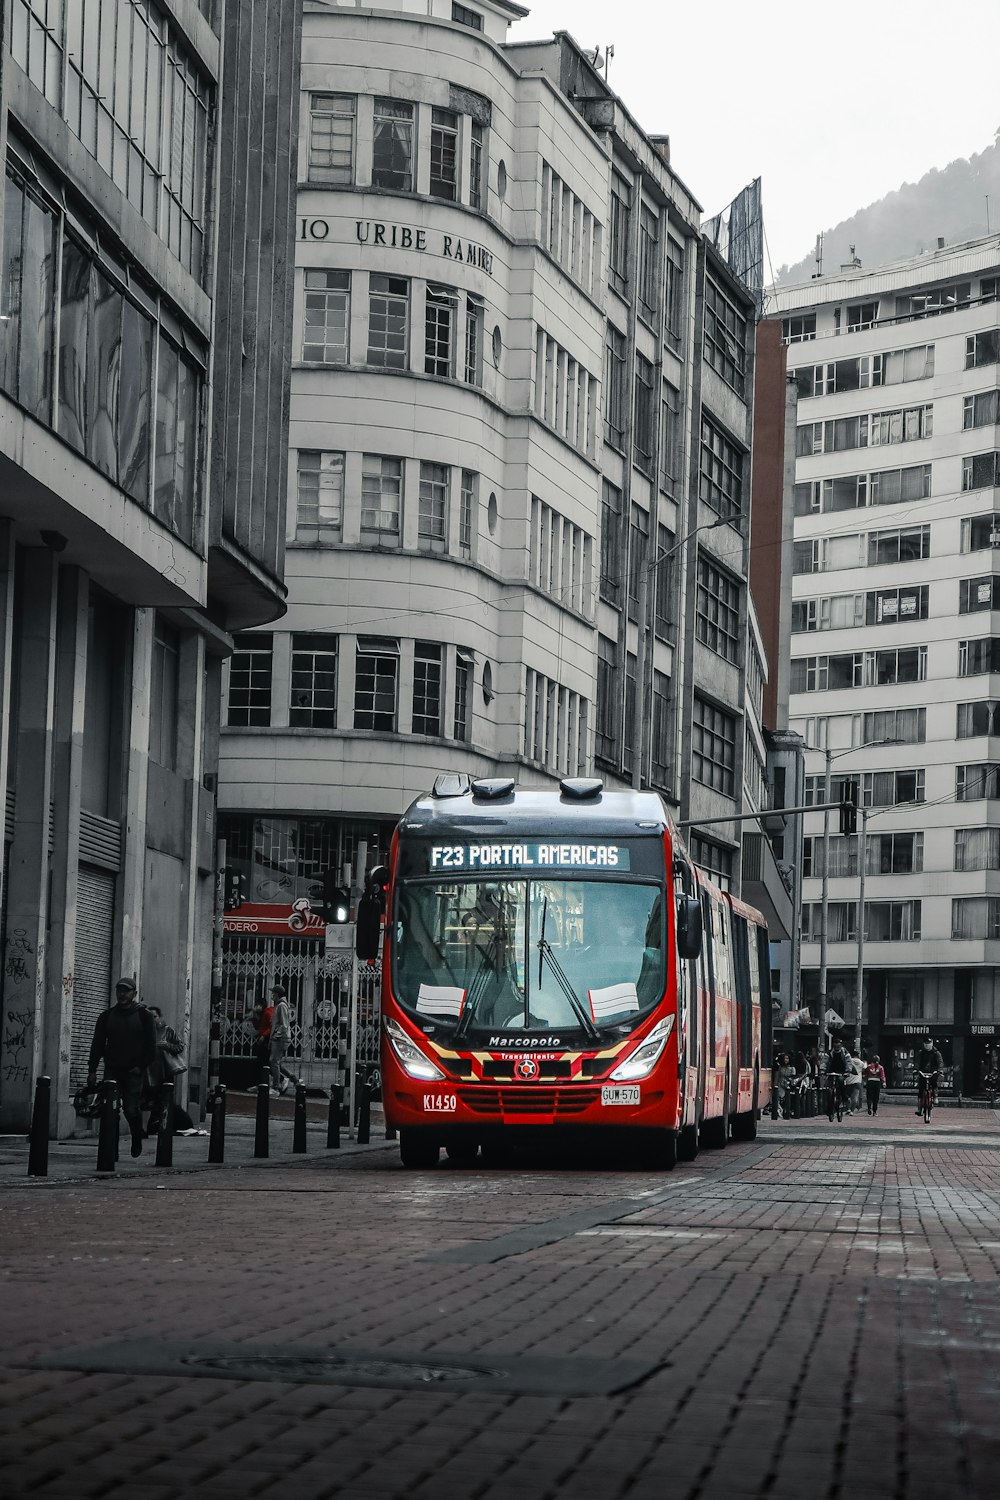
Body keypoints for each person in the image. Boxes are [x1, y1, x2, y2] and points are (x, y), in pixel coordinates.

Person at [87, 978, 157, 1158]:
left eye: (126, 991)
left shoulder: (144, 1015)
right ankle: (112, 1150)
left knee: (131, 1109)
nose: (122, 994)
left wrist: (140, 1067)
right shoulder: (106, 1016)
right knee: (111, 1111)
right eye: (119, 990)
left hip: (133, 1071)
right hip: (113, 1070)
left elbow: (151, 1047)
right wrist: (92, 1070)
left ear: (134, 993)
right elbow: (97, 1044)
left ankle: (136, 1136)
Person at [144, 1005, 185, 1136]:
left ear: (160, 1017)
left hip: (163, 1072)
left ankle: (159, 1125)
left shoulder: (167, 1031)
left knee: (163, 1099)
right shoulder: (143, 1031)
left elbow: (180, 1046)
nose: (152, 1020)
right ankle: (151, 1125)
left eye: (154, 1017)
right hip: (146, 1073)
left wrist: (168, 1046)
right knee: (148, 1100)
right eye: (149, 1017)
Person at [268, 984, 294, 1095]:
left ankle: (275, 1088)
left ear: (277, 994)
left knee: (273, 1062)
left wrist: (275, 1036)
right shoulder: (279, 1005)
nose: (272, 995)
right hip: (280, 1038)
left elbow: (284, 1025)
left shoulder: (281, 1006)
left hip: (280, 1039)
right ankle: (295, 1080)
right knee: (276, 1062)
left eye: (273, 993)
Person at [914, 1035, 944, 1113]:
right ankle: (919, 1108)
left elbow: (940, 1062)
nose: (927, 1045)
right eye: (926, 1043)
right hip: (923, 1072)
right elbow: (917, 1062)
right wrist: (916, 1070)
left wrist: (940, 1070)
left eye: (929, 1043)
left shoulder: (936, 1052)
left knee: (934, 1083)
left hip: (933, 1072)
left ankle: (935, 1097)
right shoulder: (921, 1052)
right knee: (921, 1089)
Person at [826, 1038, 850, 1118]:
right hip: (831, 1072)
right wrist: (822, 1070)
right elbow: (824, 1061)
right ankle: (829, 1106)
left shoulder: (845, 1053)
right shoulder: (829, 1053)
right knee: (828, 1088)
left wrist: (847, 1071)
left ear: (841, 1046)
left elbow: (848, 1062)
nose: (837, 1048)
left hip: (841, 1072)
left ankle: (844, 1099)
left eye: (838, 1046)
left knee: (840, 1082)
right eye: (835, 1046)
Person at [847, 1050, 864, 1115]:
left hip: (848, 1080)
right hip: (857, 1081)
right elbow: (864, 1068)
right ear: (858, 1055)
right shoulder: (861, 1063)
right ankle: (852, 1111)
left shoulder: (849, 1061)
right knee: (855, 1097)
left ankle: (848, 1108)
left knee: (847, 1096)